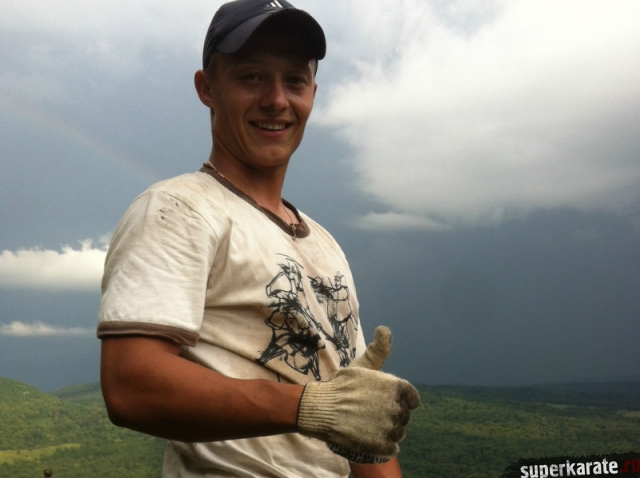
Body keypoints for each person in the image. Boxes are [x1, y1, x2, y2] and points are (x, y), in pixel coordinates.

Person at [97, 0, 420, 476]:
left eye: (295, 80)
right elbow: (130, 386)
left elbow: (362, 427)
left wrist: (355, 408)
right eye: (251, 77)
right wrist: (310, 407)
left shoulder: (324, 244)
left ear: (313, 93)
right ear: (207, 88)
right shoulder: (177, 209)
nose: (276, 99)